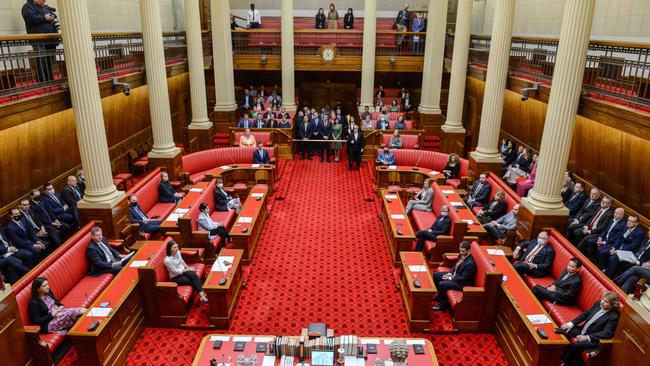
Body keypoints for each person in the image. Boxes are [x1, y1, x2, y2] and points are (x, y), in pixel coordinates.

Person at [559, 292, 620, 366]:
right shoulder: (598, 303)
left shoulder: (614, 316)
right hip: (582, 330)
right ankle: (557, 356)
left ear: (612, 305)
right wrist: (571, 324)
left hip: (593, 338)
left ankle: (565, 363)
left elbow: (607, 333)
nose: (602, 302)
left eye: (606, 302)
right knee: (563, 330)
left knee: (576, 345)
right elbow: (585, 314)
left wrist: (587, 337)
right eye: (602, 299)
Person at [22, 0, 60, 83]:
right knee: (41, 59)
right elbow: (30, 19)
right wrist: (44, 17)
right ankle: (41, 81)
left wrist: (52, 16)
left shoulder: (45, 7)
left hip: (50, 39)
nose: (44, 0)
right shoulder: (27, 6)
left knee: (50, 60)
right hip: (38, 39)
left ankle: (50, 79)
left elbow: (53, 16)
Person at [431, 241, 476, 311]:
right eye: (460, 250)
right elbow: (455, 266)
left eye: (463, 251)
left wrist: (450, 278)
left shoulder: (470, 264)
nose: (461, 252)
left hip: (463, 284)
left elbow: (463, 278)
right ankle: (440, 295)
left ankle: (443, 304)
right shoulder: (462, 255)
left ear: (469, 250)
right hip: (456, 275)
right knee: (436, 275)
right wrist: (449, 273)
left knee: (442, 284)